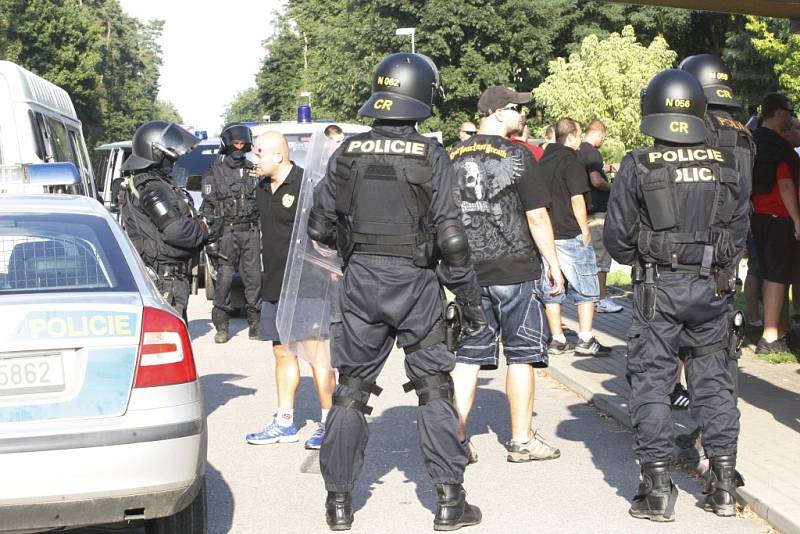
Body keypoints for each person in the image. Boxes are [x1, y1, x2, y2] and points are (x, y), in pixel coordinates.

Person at [307, 52, 487, 531]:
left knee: (350, 391)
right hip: (416, 285)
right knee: (433, 389)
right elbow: (451, 237)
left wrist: (353, 248)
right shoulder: (432, 155)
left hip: (361, 281)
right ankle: (450, 502)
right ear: (422, 96)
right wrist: (469, 301)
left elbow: (318, 225)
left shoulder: (346, 153)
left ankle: (339, 503)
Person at [604, 69, 747, 522]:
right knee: (715, 385)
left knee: (651, 383)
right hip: (712, 290)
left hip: (657, 291)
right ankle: (723, 484)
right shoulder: (727, 164)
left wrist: (650, 258)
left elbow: (617, 238)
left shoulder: (640, 163)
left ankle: (657, 488)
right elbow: (739, 229)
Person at [449, 85, 564, 465]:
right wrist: (553, 263)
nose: (523, 114)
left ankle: (457, 438)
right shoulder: (518, 153)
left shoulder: (451, 156)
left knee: (467, 358)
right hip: (514, 269)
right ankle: (521, 439)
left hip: (467, 271)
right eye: (517, 108)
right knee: (522, 355)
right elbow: (536, 215)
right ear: (498, 113)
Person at [245, 131, 336, 451]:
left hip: (309, 283)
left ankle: (330, 423)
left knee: (317, 355)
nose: (253, 160)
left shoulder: (308, 184)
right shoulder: (259, 187)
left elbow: (331, 231)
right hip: (275, 284)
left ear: (278, 157)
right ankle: (285, 422)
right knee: (282, 352)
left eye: (258, 154)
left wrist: (332, 265)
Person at [119, 120, 211, 321]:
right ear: (156, 153)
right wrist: (203, 229)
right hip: (165, 280)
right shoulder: (151, 188)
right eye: (170, 156)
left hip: (168, 278)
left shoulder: (155, 184)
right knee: (168, 344)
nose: (175, 160)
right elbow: (176, 231)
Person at [537, 117, 609, 355]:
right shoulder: (572, 162)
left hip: (547, 234)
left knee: (552, 288)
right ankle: (586, 339)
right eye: (579, 135)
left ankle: (557, 339)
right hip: (570, 232)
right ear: (570, 137)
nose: (581, 140)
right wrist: (585, 230)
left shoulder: (541, 161)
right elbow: (577, 199)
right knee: (586, 286)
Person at [201, 123, 262, 343]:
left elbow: (265, 200)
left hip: (251, 231)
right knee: (225, 279)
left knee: (253, 278)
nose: (239, 147)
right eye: (235, 143)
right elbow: (207, 207)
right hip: (226, 231)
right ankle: (222, 326)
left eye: (242, 143)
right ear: (227, 145)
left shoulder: (254, 169)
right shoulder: (214, 173)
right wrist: (209, 237)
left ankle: (255, 323)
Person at [749, 93, 800, 353]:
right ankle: (770, 338)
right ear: (779, 113)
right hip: (780, 216)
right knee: (778, 277)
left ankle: (779, 330)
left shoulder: (753, 141)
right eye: (790, 113)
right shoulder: (779, 146)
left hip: (758, 216)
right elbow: (785, 183)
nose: (791, 119)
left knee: (770, 274)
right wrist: (797, 219)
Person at [577, 119, 622, 313]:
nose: (604, 140)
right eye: (604, 137)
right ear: (599, 133)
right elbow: (596, 181)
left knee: (590, 255)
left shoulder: (579, 151)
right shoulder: (593, 152)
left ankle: (594, 296)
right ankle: (601, 298)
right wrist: (614, 187)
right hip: (598, 213)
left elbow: (592, 172)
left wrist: (608, 168)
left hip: (585, 211)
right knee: (601, 256)